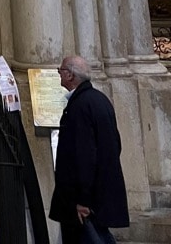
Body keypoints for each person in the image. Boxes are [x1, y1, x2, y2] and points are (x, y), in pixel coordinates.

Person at [49, 56, 129, 244]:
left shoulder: (80, 106)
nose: (58, 73)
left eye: (60, 70)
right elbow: (115, 144)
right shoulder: (98, 100)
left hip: (85, 201)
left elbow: (84, 156)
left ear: (69, 75)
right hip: (99, 194)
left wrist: (82, 200)